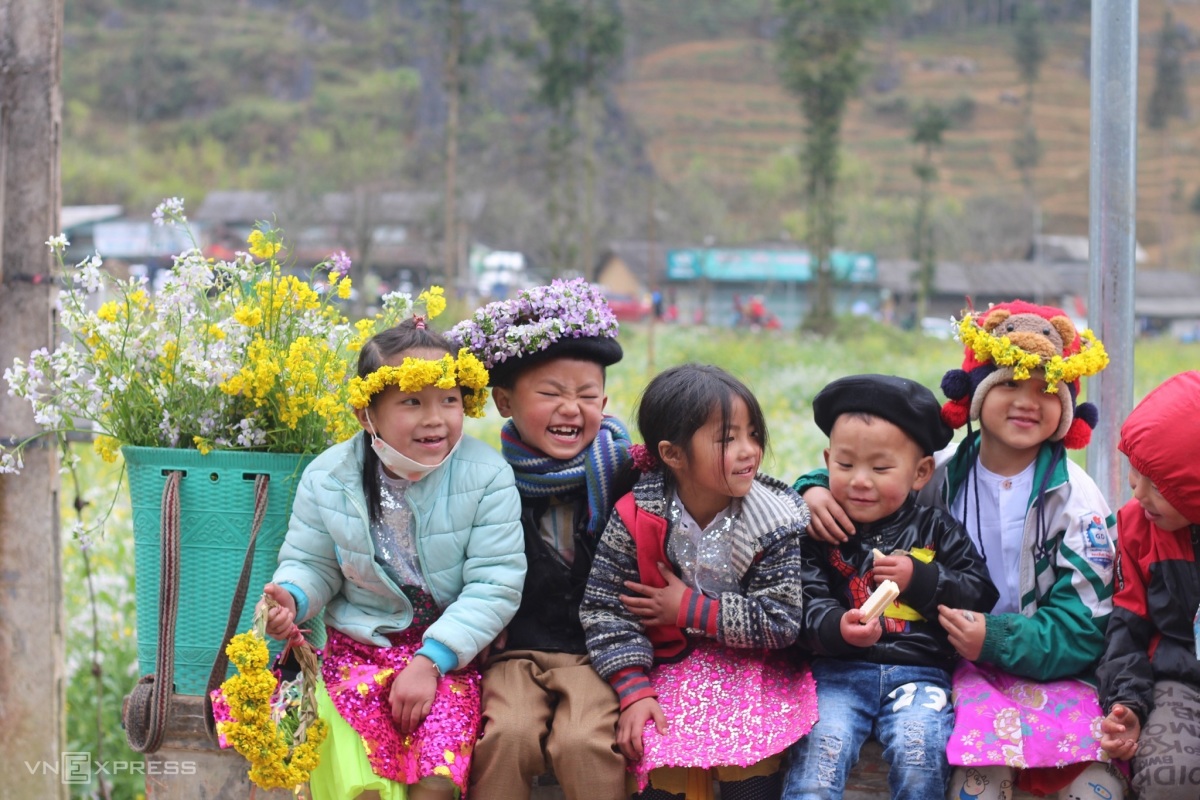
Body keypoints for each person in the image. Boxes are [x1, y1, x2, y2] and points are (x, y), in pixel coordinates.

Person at [800, 301, 1125, 800]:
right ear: (976, 394)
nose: (1026, 402)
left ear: (1067, 407)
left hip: (1052, 669)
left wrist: (995, 639)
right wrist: (813, 487)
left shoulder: (1076, 501)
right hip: (945, 665)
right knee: (976, 782)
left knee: (1093, 785)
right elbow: (870, 476)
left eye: (1046, 389)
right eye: (1009, 383)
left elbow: (1085, 627)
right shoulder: (943, 474)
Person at [260, 316, 526, 800]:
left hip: (449, 659)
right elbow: (313, 563)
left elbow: (496, 584)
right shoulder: (328, 478)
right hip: (358, 653)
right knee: (361, 786)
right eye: (412, 402)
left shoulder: (486, 476)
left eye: (449, 400)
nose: (435, 418)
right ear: (367, 415)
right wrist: (293, 599)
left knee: (435, 783)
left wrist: (432, 660)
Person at [581, 363, 818, 800]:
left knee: (748, 750)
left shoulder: (772, 522)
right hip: (666, 665)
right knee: (657, 744)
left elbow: (783, 620)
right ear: (672, 454)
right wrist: (633, 687)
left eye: (752, 434)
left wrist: (687, 608)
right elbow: (604, 609)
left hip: (753, 668)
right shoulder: (637, 516)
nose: (748, 450)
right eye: (728, 439)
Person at [448, 278, 634, 800]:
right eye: (550, 393)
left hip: (597, 653)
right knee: (504, 736)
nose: (571, 409)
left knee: (583, 742)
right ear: (505, 400)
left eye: (587, 395)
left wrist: (814, 493)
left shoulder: (626, 473)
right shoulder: (484, 481)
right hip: (516, 651)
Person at [781, 374, 998, 800]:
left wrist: (922, 579)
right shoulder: (822, 529)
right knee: (820, 755)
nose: (861, 480)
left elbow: (980, 592)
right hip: (838, 675)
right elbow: (803, 598)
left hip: (921, 676)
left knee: (919, 755)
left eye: (880, 468)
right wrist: (834, 628)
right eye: (845, 465)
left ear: (921, 473)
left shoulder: (936, 528)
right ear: (827, 461)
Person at [1098, 371, 1200, 800]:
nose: (1137, 493)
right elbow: (1128, 627)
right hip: (1180, 679)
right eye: (1134, 474)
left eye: (1156, 484)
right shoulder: (1140, 528)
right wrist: (1129, 705)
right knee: (1168, 780)